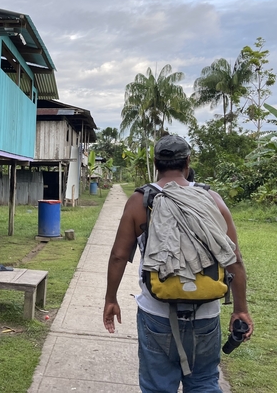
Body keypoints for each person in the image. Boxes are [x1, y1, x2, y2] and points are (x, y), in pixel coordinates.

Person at [103, 135, 253, 392]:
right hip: (206, 314)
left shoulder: (140, 201)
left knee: (157, 387)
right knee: (205, 382)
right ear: (187, 162)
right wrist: (240, 309)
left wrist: (111, 299)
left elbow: (118, 255)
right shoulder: (213, 200)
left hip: (156, 313)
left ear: (156, 163)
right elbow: (234, 260)